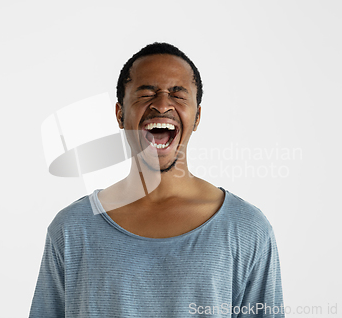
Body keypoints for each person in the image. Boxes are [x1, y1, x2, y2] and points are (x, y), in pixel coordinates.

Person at [29, 42, 284, 317]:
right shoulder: (71, 230)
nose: (162, 105)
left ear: (197, 117)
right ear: (120, 114)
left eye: (177, 94)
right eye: (147, 93)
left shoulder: (247, 229)